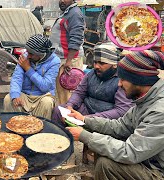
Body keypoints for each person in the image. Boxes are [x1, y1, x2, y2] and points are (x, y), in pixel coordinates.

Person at [67, 50, 164, 179]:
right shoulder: (145, 99)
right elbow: (120, 126)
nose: (119, 83)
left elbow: (130, 152)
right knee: (103, 144)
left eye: (123, 79)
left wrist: (85, 136)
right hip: (146, 158)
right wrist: (85, 120)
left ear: (139, 80)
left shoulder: (159, 111)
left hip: (156, 170)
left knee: (106, 163)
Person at [51, 43, 134, 125]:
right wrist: (70, 105)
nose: (96, 66)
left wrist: (89, 118)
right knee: (58, 111)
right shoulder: (92, 74)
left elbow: (121, 110)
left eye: (101, 63)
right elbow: (79, 93)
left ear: (114, 65)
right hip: (85, 110)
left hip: (105, 120)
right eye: (95, 62)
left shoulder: (122, 81)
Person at [4, 34, 60, 119]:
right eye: (27, 52)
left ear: (40, 54)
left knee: (47, 103)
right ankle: (14, 128)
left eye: (31, 54)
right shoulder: (25, 56)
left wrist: (28, 68)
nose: (28, 55)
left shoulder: (54, 62)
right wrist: (15, 95)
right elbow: (16, 78)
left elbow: (45, 86)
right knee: (8, 99)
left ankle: (42, 131)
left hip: (42, 96)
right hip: (25, 94)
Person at [49, 0, 85, 105]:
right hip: (62, 59)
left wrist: (69, 61)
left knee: (67, 96)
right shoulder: (68, 12)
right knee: (61, 95)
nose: (62, 1)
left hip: (69, 61)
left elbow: (76, 38)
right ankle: (59, 118)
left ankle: (65, 120)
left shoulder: (75, 14)